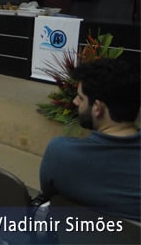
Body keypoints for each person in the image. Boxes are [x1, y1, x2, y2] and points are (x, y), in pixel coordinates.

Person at [40, 58, 140, 221]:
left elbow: (49, 194)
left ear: (97, 108)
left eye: (80, 97)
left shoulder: (59, 153)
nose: (74, 101)